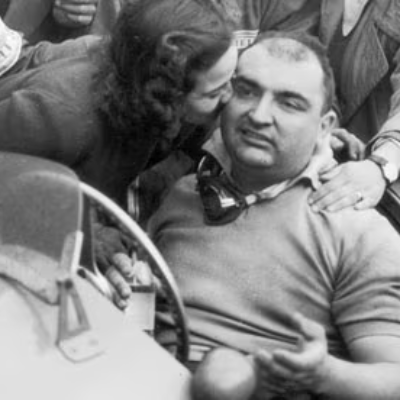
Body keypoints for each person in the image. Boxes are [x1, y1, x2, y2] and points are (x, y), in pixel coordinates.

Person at [138, 31, 400, 399]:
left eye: (289, 104)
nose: (259, 116)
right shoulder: (184, 192)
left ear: (325, 126)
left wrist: (324, 375)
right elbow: (136, 299)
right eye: (245, 91)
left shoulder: (357, 230)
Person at [0, 0, 237, 207]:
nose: (229, 96)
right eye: (214, 92)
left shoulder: (172, 99)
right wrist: (92, 228)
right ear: (166, 95)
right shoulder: (57, 116)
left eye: (232, 79)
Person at [227, 0, 400, 213]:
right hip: (298, 156)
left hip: (366, 185)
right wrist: (320, 129)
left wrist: (382, 165)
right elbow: (298, 62)